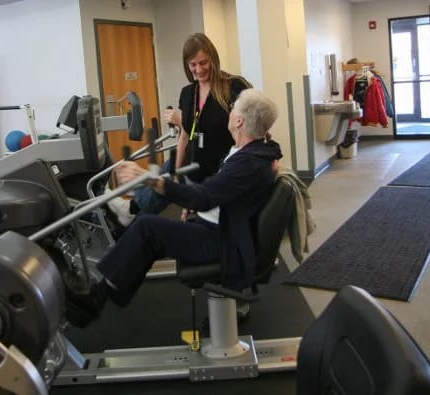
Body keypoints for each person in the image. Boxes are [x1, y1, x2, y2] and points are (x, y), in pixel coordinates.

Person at [64, 88, 282, 328]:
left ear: (239, 120)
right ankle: (109, 286)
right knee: (148, 234)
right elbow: (218, 193)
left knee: (148, 229)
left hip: (223, 240)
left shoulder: (248, 161)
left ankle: (98, 298)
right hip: (218, 226)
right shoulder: (254, 151)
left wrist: (148, 178)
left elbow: (204, 197)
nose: (229, 113)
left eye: (233, 109)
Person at [130, 33, 252, 218]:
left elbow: (252, 126)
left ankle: (130, 211)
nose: (198, 69)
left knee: (154, 197)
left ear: (213, 59)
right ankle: (131, 211)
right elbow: (185, 136)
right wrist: (177, 173)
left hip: (218, 171)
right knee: (160, 184)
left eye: (203, 63)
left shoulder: (233, 86)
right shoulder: (188, 93)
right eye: (193, 65)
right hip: (192, 165)